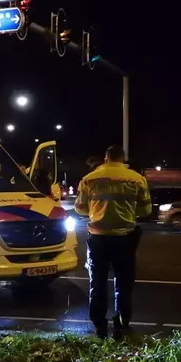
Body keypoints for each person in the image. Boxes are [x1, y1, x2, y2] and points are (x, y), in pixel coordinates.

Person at [75, 145, 152, 339]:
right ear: (123, 158)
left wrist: (98, 212)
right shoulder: (137, 179)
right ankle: (121, 321)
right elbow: (146, 211)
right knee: (124, 281)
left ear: (106, 158)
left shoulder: (90, 179)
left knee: (98, 281)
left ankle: (99, 323)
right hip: (125, 237)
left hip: (98, 237)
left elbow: (80, 209)